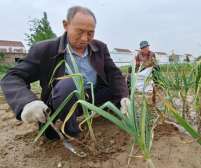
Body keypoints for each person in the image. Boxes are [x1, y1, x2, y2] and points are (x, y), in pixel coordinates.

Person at [0, 6, 129, 140]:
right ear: (66, 25)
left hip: (93, 96)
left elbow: (113, 73)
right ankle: (70, 131)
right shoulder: (45, 49)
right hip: (63, 101)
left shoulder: (99, 47)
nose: (85, 38)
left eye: (90, 33)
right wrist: (28, 102)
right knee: (69, 83)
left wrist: (124, 96)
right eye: (80, 32)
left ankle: (114, 110)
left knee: (126, 80)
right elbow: (12, 77)